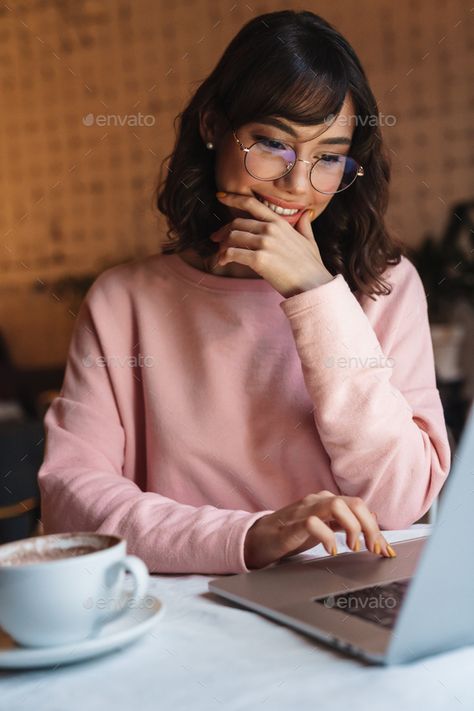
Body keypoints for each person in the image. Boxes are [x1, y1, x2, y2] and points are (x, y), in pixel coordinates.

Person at [38, 10, 451, 574]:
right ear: (212, 126)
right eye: (272, 144)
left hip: (342, 601)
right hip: (187, 612)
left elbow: (401, 505)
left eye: (328, 156)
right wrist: (249, 536)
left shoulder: (385, 285)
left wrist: (315, 294)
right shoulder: (123, 302)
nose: (297, 185)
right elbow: (71, 504)